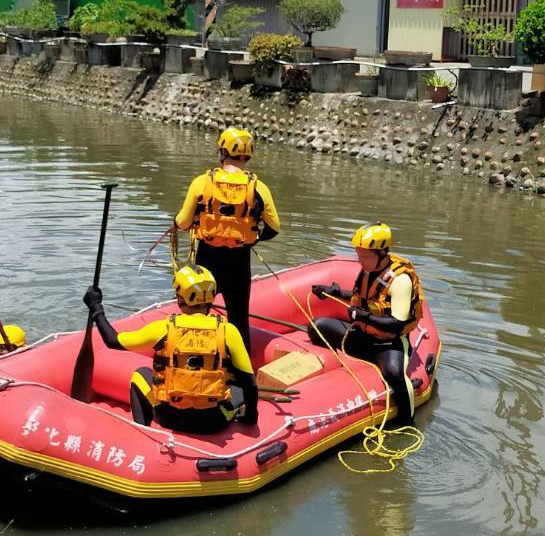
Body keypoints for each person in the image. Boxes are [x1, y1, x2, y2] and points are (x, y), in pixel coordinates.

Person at [83, 265, 259, 432]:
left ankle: (143, 432)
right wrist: (251, 418)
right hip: (213, 422)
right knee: (237, 388)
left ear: (180, 297)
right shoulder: (229, 331)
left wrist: (96, 307)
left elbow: (113, 341)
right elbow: (250, 385)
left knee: (139, 375)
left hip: (170, 417)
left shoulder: (163, 328)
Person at [173, 127, 279, 354]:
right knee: (238, 318)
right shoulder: (258, 187)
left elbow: (182, 222)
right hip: (239, 261)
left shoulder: (202, 182)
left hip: (207, 258)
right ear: (248, 155)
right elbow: (274, 228)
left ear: (222, 151)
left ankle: (196, 356)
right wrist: (251, 239)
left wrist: (182, 223)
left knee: (198, 313)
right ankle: (241, 369)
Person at [308, 223, 426, 425]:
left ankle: (407, 421)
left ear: (382, 253)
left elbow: (396, 324)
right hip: (361, 335)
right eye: (359, 256)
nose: (360, 261)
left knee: (394, 374)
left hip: (386, 343)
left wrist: (363, 317)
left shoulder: (400, 280)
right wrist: (333, 292)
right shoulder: (367, 270)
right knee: (317, 326)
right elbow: (360, 298)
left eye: (365, 257)